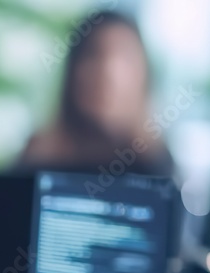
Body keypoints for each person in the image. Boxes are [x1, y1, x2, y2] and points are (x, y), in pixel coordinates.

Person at [18, 10, 174, 175]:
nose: (106, 73)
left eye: (123, 57)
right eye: (94, 54)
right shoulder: (38, 157)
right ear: (73, 72)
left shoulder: (157, 165)